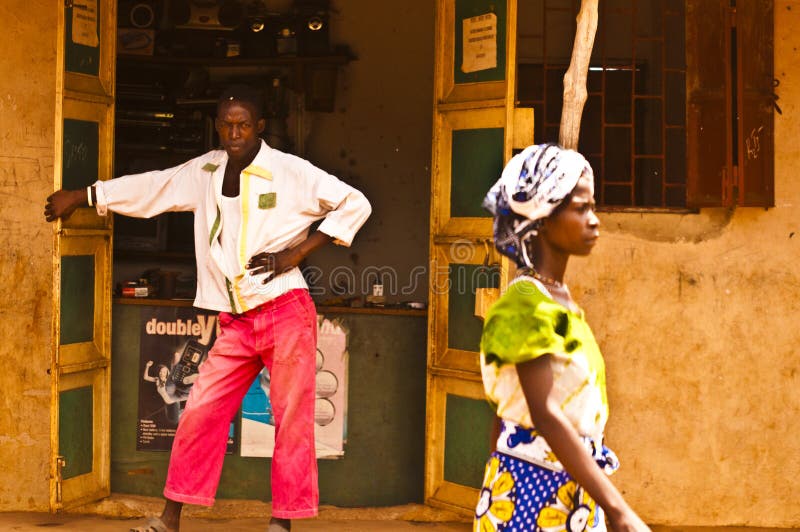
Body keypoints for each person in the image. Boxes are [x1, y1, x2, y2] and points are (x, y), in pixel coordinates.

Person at [44, 84, 371, 532]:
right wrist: (85, 195)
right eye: (226, 124)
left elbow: (356, 202)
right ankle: (171, 517)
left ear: (260, 127)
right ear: (217, 126)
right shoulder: (207, 170)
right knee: (199, 412)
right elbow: (153, 187)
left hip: (285, 310)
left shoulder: (290, 171)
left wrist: (297, 253)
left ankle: (283, 522)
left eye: (243, 124)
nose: (234, 132)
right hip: (236, 320)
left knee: (292, 419)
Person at [474, 143, 649, 532]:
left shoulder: (558, 299)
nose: (594, 220)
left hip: (570, 489)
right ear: (541, 219)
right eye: (581, 208)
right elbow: (545, 414)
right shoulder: (523, 305)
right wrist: (619, 510)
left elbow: (503, 416)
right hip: (533, 493)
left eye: (593, 207)